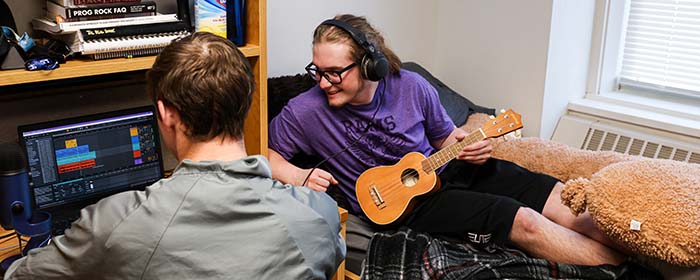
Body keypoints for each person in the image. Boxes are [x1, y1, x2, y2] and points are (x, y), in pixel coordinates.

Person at [267, 14, 626, 274]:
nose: (323, 82)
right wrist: (298, 175)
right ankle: (629, 272)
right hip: (408, 206)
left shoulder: (411, 86)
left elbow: (445, 139)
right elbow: (263, 153)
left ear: (369, 65)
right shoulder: (305, 111)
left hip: (447, 167)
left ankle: (642, 250)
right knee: (525, 221)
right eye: (317, 71)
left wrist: (471, 145)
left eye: (334, 73)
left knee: (558, 197)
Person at [4, 32, 345, 280]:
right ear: (246, 106)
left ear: (166, 114)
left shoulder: (114, 225)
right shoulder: (320, 215)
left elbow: (20, 275)